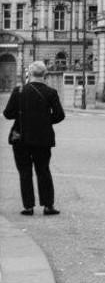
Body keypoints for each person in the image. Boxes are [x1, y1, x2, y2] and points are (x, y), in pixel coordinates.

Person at [3, 61, 65, 216]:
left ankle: (28, 206)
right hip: (43, 138)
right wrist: (44, 121)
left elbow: (8, 113)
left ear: (29, 74)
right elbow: (59, 115)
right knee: (43, 170)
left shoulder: (19, 90)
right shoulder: (50, 92)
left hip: (21, 137)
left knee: (24, 171)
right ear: (45, 75)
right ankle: (48, 206)